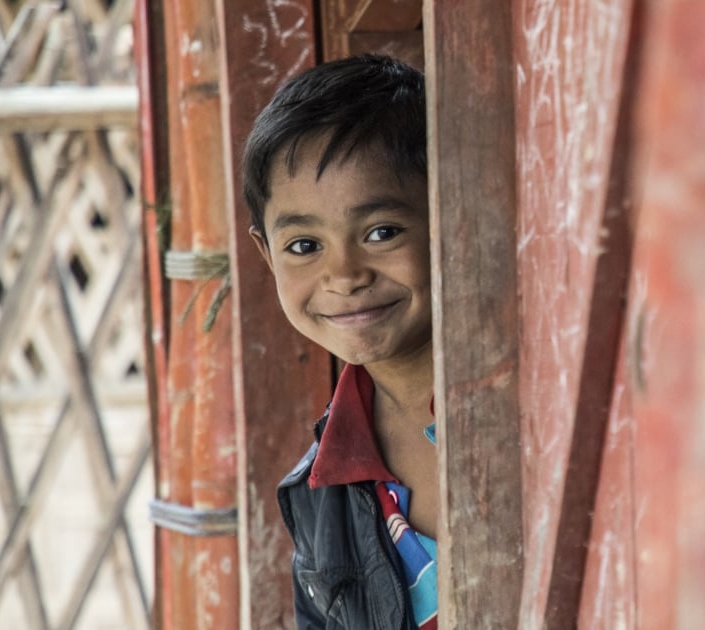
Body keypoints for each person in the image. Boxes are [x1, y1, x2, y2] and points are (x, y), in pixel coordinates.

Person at [241, 54, 437, 630]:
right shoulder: (319, 491)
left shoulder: (526, 410)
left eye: (381, 232)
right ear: (266, 256)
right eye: (305, 246)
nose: (345, 275)